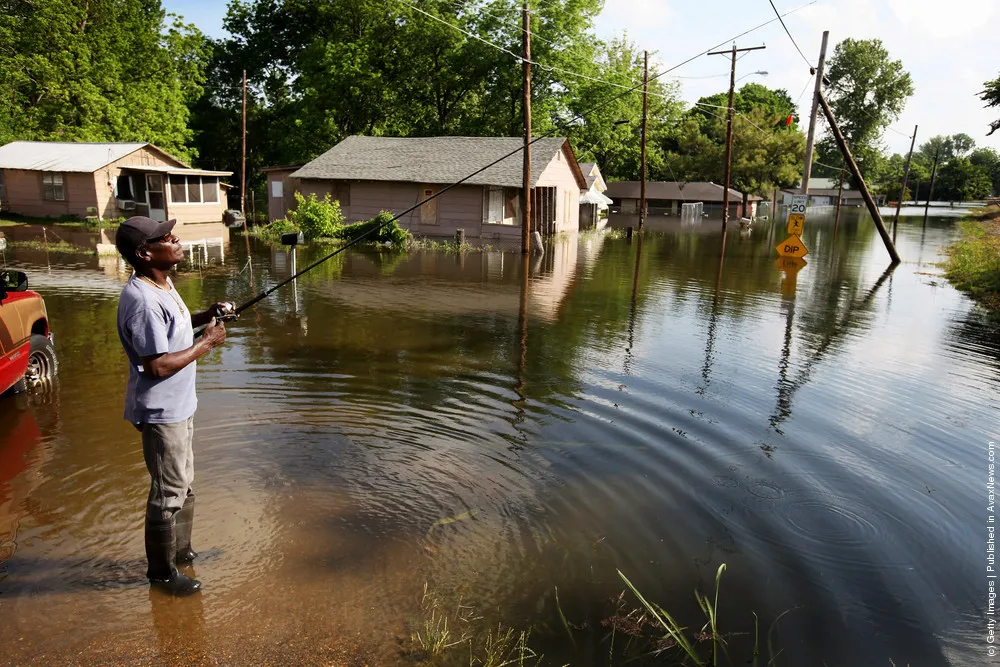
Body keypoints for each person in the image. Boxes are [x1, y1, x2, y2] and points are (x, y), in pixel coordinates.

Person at [115, 216, 229, 596]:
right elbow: (157, 364)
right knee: (167, 493)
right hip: (162, 412)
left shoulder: (162, 283)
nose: (175, 239)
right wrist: (208, 342)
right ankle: (161, 575)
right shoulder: (143, 301)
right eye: (165, 238)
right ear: (145, 253)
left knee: (184, 486)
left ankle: (182, 553)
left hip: (181, 406)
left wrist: (207, 315)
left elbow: (175, 330)